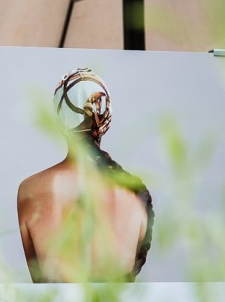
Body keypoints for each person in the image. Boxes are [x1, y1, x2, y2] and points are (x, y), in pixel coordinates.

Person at [16, 68, 154, 283]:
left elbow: (40, 282)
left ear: (59, 120)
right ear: (106, 116)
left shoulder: (30, 190)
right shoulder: (135, 194)